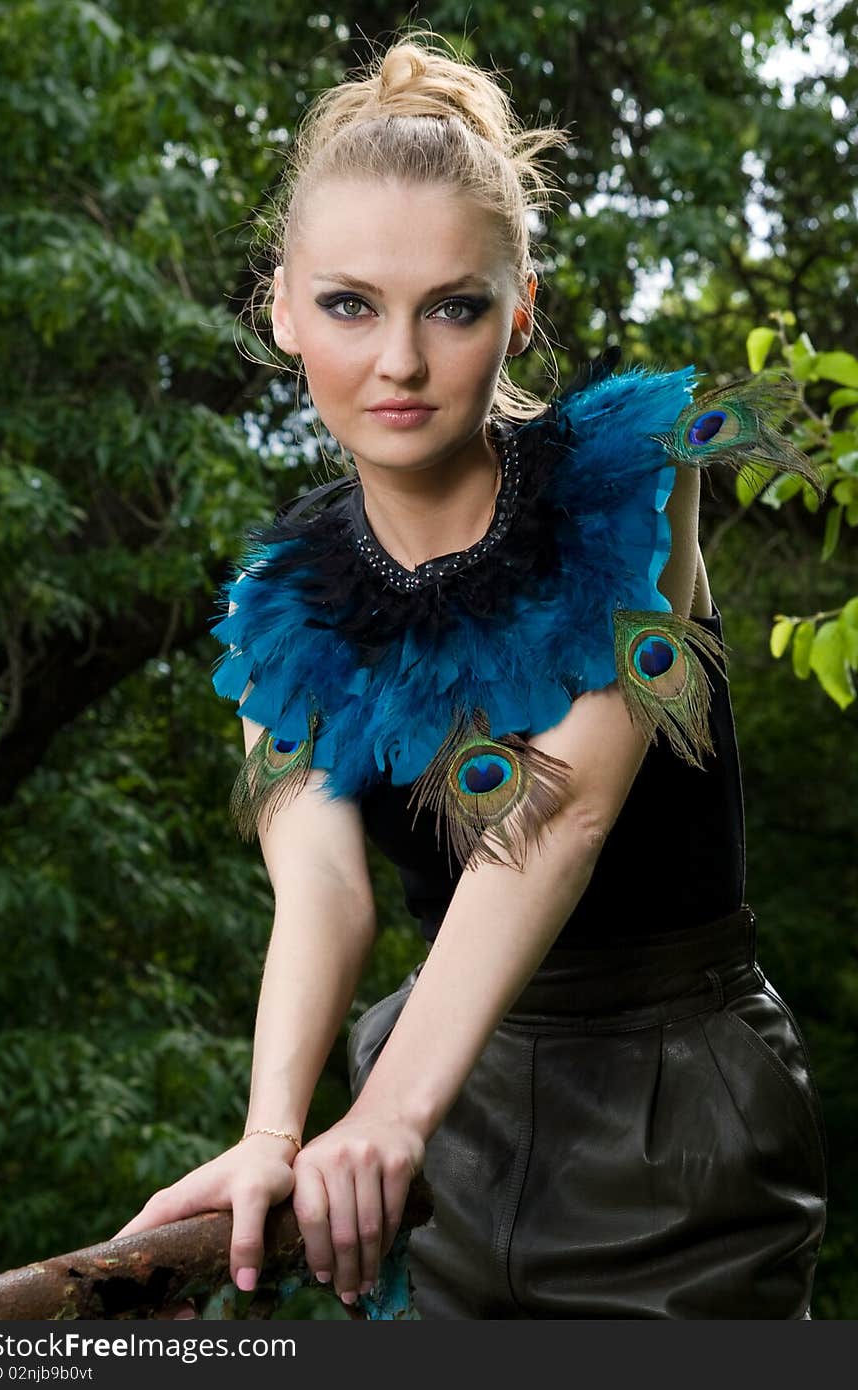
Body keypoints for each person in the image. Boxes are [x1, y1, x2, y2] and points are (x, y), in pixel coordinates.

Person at [114, 31, 828, 1319]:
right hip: (445, 1131)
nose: (399, 361)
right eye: (348, 304)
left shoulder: (633, 482)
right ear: (281, 307)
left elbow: (556, 814)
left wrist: (382, 1115)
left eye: (452, 305)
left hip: (677, 1123)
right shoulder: (285, 604)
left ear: (521, 307)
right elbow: (324, 891)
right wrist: (278, 1136)